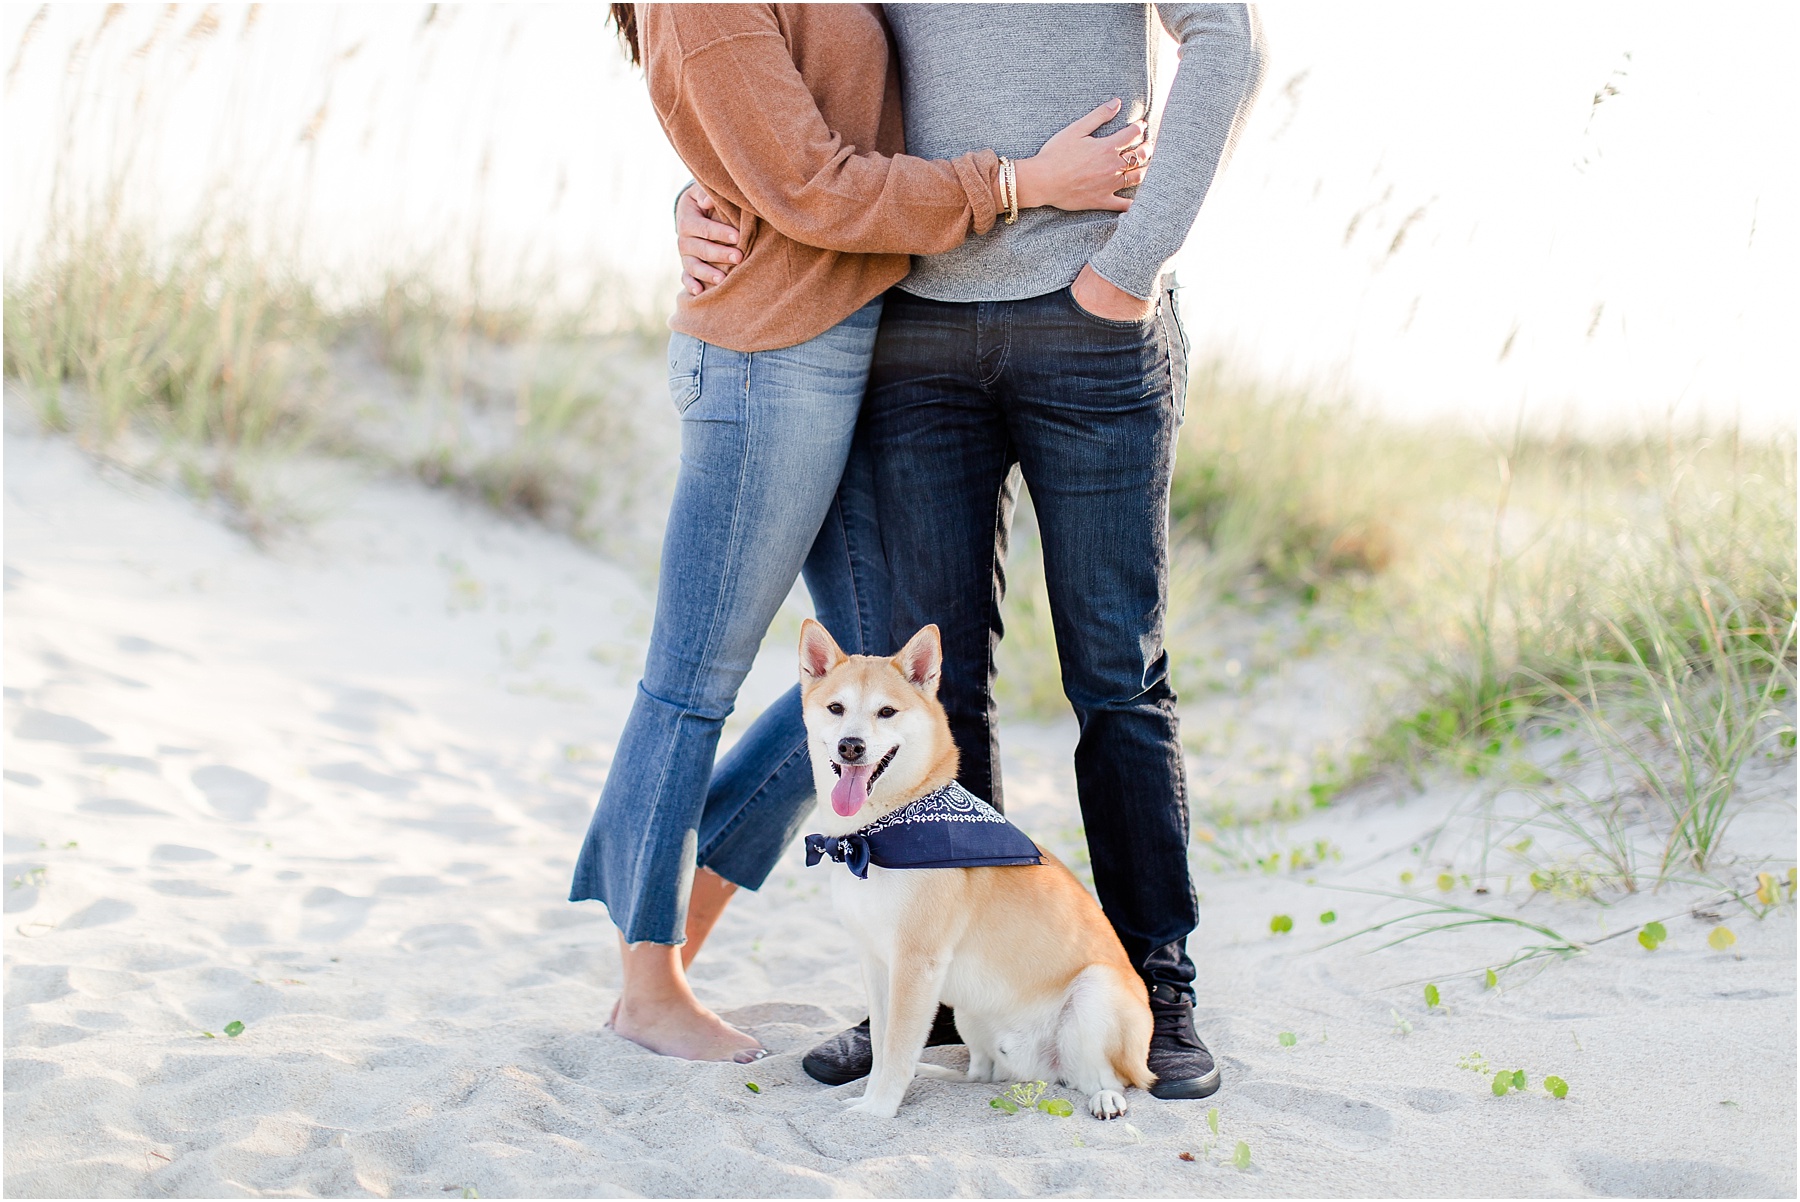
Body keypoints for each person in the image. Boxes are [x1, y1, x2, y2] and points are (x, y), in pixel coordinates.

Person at [676, 3, 1266, 1098]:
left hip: (1094, 320)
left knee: (1117, 677)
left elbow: (1226, 38)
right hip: (915, 328)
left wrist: (1133, 263)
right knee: (946, 696)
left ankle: (1155, 984)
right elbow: (781, 78)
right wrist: (697, 196)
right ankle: (940, 993)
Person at [571, 1, 1152, 1064]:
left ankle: (678, 938)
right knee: (691, 678)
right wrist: (1021, 183)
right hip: (768, 363)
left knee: (869, 687)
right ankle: (645, 986)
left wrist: (705, 187)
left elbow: (790, 132)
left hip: (860, 344)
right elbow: (806, 182)